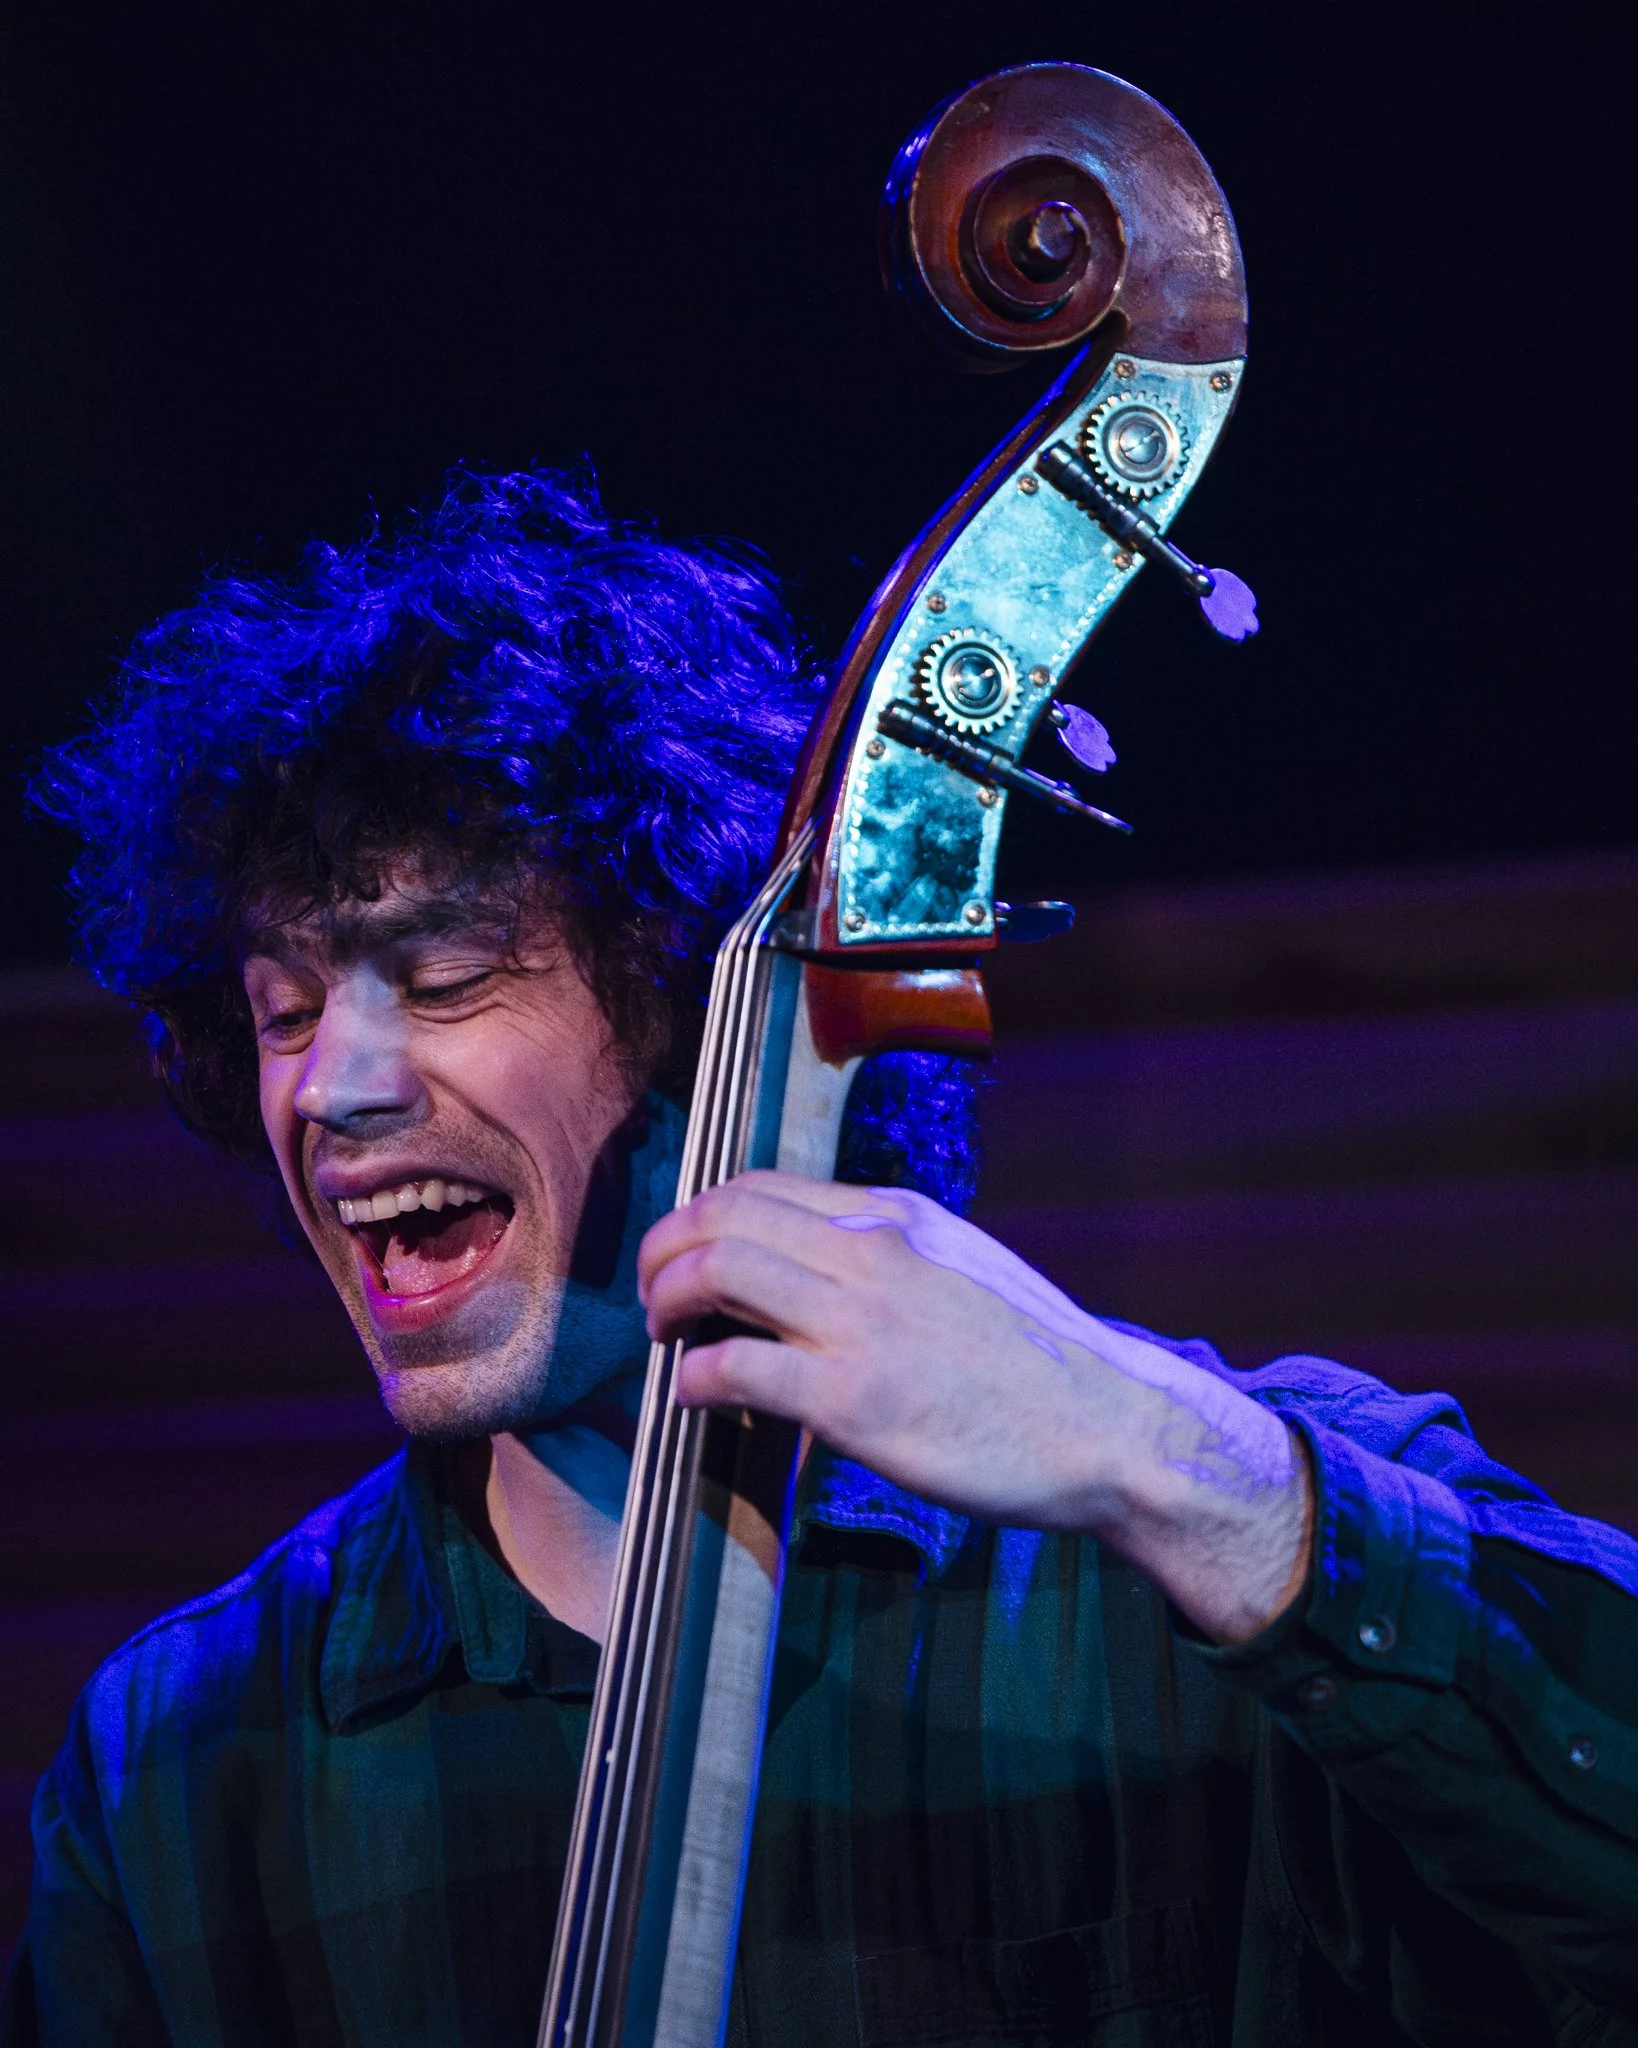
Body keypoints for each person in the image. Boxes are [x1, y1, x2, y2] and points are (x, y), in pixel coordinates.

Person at [5, 470, 1635, 2046]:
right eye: (283, 1013)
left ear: (706, 1012)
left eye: (437, 981)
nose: (332, 1086)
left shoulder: (1191, 1534)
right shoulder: (179, 1766)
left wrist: (1168, 1470)